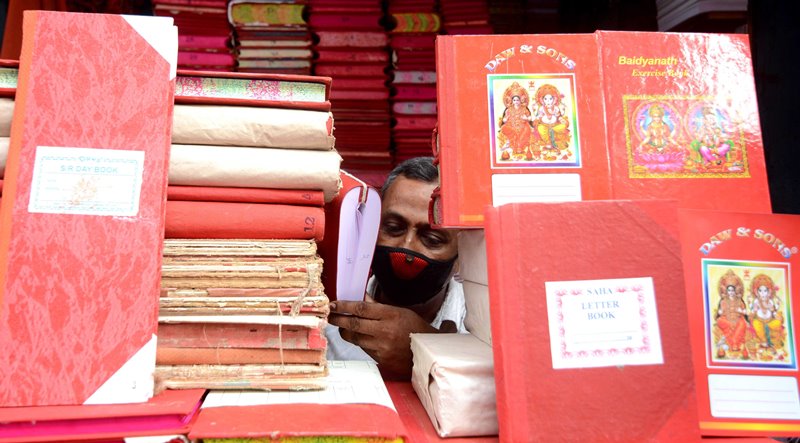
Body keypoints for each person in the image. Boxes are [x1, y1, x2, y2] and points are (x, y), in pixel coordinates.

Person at [325, 157, 466, 379]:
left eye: (432, 238)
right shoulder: (325, 318)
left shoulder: (482, 329)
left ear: (462, 255)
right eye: (393, 228)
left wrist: (424, 354)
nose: (406, 247)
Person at [714, 270, 747, 357]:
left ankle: (734, 343)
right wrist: (720, 312)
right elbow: (720, 313)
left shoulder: (739, 301)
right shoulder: (723, 301)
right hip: (726, 319)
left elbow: (744, 312)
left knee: (742, 323)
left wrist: (741, 311)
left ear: (735, 291)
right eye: (729, 291)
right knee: (720, 321)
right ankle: (734, 343)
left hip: (738, 319)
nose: (731, 293)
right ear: (726, 291)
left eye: (732, 290)